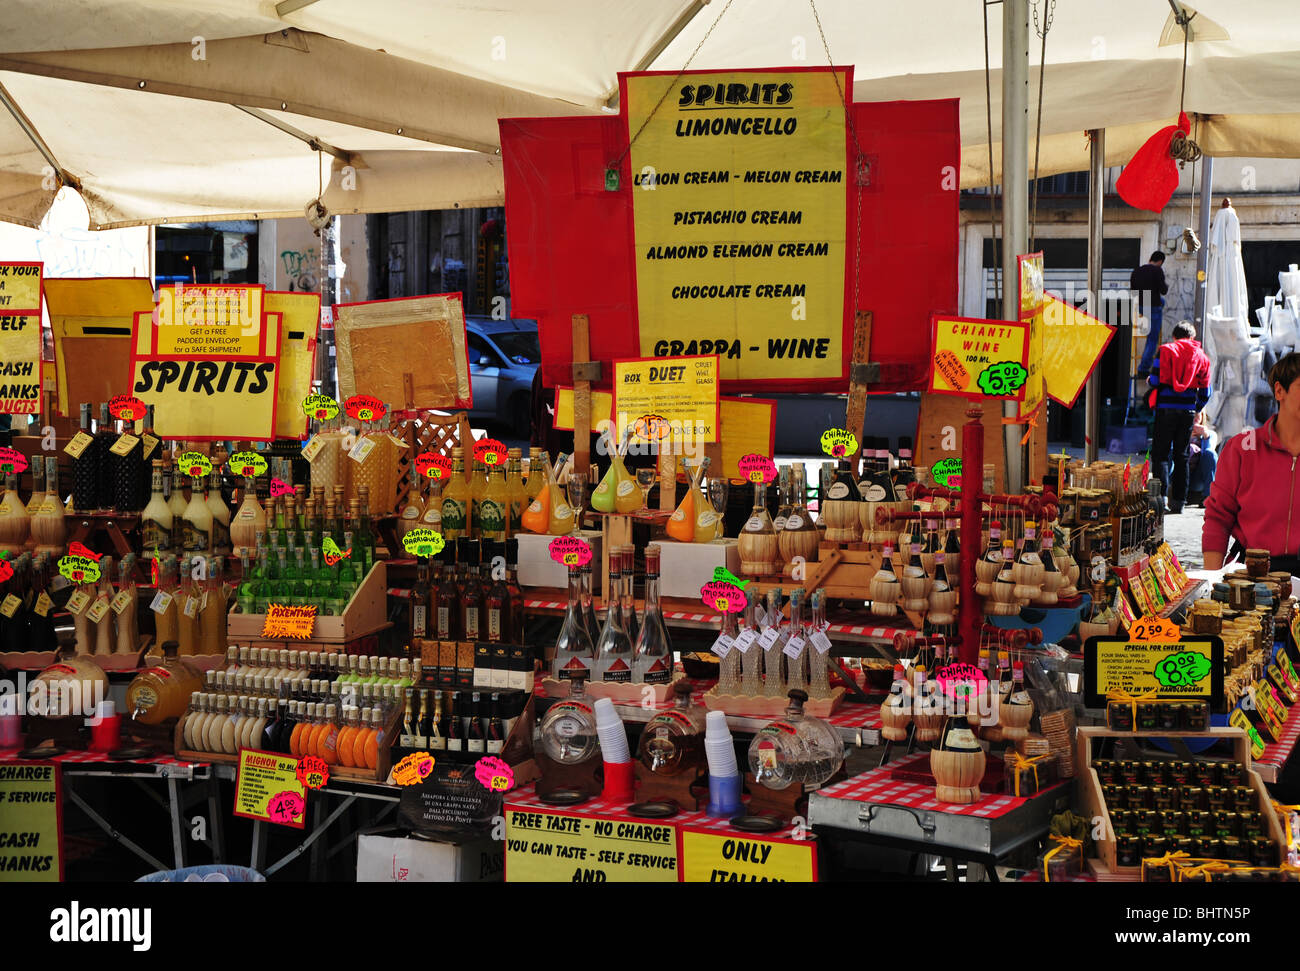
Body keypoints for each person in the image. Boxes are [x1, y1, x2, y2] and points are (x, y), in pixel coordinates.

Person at [1203, 352, 1300, 572]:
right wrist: (1211, 578)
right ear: (1279, 391)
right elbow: (1218, 517)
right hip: (1252, 575)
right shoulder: (1242, 449)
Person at [1148, 321, 1211, 514]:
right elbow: (1206, 391)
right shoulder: (1202, 357)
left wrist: (1150, 380)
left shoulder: (1165, 350)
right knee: (1182, 455)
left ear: (1174, 337)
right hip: (1187, 412)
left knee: (1160, 455)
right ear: (1192, 338)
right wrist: (1196, 408)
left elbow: (1156, 379)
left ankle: (1160, 500)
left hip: (1165, 409)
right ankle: (1179, 503)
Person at [1132, 250, 1169, 377]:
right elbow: (1163, 290)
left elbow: (1134, 291)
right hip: (1153, 306)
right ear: (1160, 261)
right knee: (1152, 339)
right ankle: (1143, 368)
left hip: (1142, 305)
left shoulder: (1137, 270)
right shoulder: (1157, 271)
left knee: (1162, 302)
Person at [1185, 411, 1218, 507]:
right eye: (1191, 411)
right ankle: (1165, 495)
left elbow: (1210, 457)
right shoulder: (1178, 433)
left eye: (1198, 412)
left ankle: (1208, 496)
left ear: (1202, 414)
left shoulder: (1211, 434)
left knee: (1210, 453)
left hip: (1198, 478)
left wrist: (1205, 436)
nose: (1194, 415)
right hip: (1179, 477)